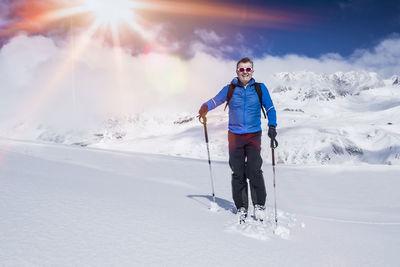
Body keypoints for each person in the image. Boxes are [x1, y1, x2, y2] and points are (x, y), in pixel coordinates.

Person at [198, 57, 277, 223]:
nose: (245, 72)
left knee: (255, 170)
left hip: (254, 135)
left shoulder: (259, 88)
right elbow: (216, 100)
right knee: (237, 171)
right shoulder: (230, 89)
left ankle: (259, 205)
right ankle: (242, 206)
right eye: (242, 69)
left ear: (252, 71)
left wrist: (272, 126)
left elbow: (269, 107)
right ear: (237, 71)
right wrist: (205, 107)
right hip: (234, 135)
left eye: (248, 69)